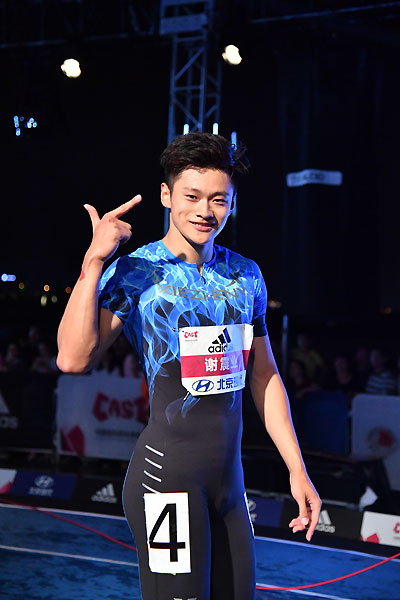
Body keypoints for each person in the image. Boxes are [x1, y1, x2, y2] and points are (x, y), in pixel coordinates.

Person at [57, 132, 321, 600]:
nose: (205, 211)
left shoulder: (246, 275)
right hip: (166, 481)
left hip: (229, 488)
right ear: (166, 195)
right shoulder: (137, 272)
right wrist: (94, 261)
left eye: (219, 199)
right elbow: (73, 359)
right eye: (192, 197)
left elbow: (264, 377)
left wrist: (297, 469)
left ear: (232, 202)